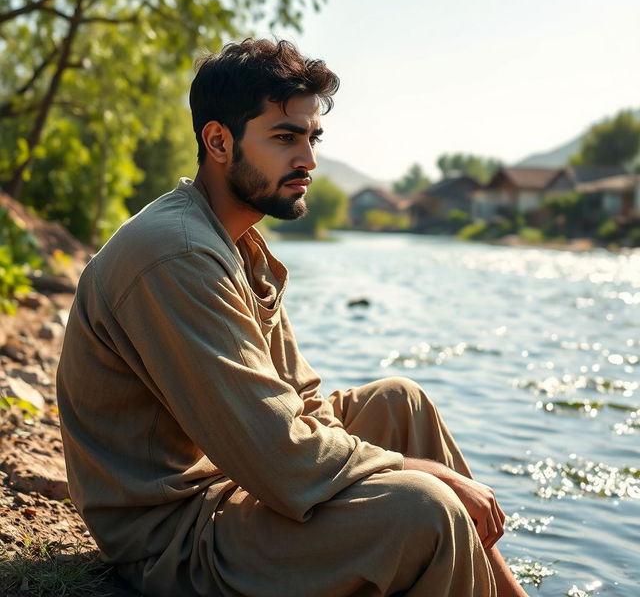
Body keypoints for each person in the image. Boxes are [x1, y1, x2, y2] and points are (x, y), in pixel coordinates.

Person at [57, 39, 527, 597]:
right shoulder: (176, 256)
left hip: (228, 485)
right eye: (284, 138)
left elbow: (301, 403)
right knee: (428, 512)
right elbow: (280, 455)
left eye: (311, 138)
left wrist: (413, 463)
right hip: (171, 532)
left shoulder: (235, 246)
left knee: (401, 402)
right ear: (218, 141)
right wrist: (426, 472)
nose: (307, 160)